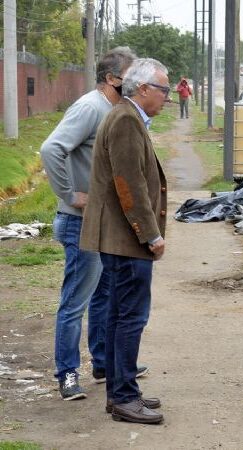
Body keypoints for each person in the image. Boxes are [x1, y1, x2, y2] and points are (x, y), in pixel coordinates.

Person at [40, 47, 150, 401]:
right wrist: (71, 194)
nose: (133, 85)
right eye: (128, 79)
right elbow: (51, 149)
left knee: (104, 296)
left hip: (101, 222)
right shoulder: (90, 108)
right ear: (110, 80)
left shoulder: (115, 109)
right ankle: (67, 372)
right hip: (78, 222)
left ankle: (103, 363)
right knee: (76, 301)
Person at [80, 58, 169, 424]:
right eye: (163, 90)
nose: (167, 97)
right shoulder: (126, 120)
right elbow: (128, 184)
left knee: (120, 317)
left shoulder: (124, 117)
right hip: (126, 238)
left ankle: (121, 394)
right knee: (130, 318)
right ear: (144, 89)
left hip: (120, 237)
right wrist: (150, 234)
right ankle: (123, 396)